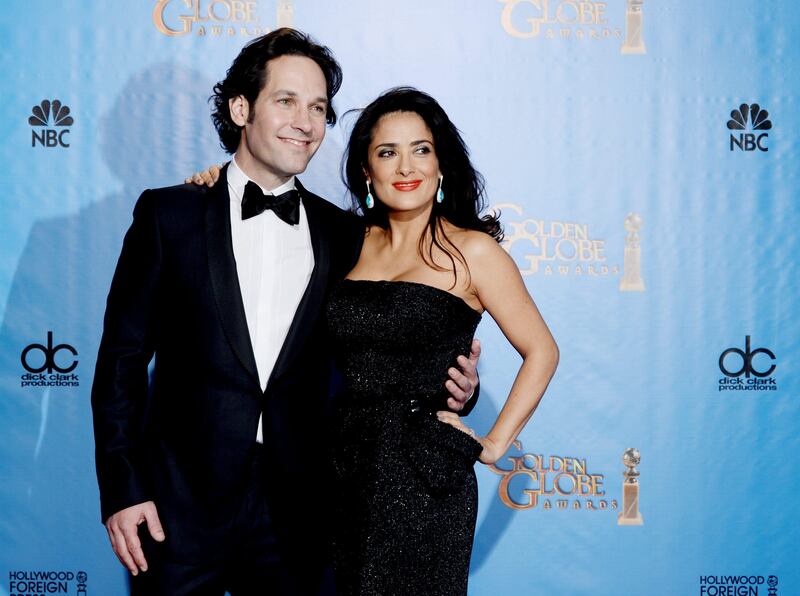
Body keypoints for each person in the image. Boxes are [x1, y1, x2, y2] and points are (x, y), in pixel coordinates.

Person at [91, 30, 478, 596]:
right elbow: (121, 363)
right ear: (241, 107)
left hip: (307, 513)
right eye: (287, 101)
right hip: (179, 510)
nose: (306, 121)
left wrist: (456, 383)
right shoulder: (169, 215)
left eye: (319, 107)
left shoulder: (348, 235)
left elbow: (399, 329)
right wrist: (123, 490)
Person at [327, 87, 559, 595]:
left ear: (441, 164)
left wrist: (495, 443)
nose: (405, 165)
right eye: (387, 152)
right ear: (367, 171)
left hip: (422, 476)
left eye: (421, 149)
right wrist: (215, 181)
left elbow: (542, 350)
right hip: (336, 467)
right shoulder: (344, 242)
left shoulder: (473, 252)